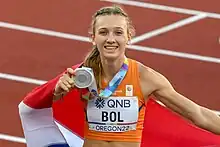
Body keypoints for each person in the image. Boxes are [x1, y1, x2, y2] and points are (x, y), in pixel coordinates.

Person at [19, 5, 220, 147]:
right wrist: (57, 90)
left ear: (128, 37)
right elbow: (45, 104)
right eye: (104, 32)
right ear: (93, 37)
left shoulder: (146, 78)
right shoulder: (81, 76)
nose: (111, 39)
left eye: (118, 32)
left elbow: (198, 114)